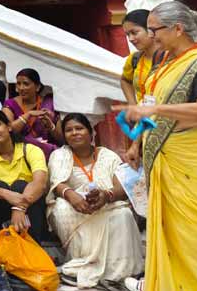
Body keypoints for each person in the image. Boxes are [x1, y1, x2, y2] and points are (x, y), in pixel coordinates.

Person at [113, 1, 197, 291]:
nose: (151, 35)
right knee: (174, 241)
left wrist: (156, 110)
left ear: (177, 28)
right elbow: (156, 110)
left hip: (194, 173)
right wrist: (137, 140)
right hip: (164, 168)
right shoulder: (163, 64)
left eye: (154, 29)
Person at [47, 114, 144, 289]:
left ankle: (117, 273)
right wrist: (72, 196)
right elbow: (57, 184)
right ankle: (85, 264)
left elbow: (121, 186)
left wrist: (105, 196)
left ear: (91, 132)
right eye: (69, 130)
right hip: (75, 209)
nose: (74, 133)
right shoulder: (59, 155)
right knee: (60, 207)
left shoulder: (107, 155)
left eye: (79, 128)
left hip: (107, 204)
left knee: (123, 213)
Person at [0, 108, 48, 242]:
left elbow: (40, 183)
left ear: (8, 126)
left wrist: (19, 206)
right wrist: (5, 194)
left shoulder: (31, 150)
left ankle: (32, 244)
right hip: (1, 213)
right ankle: (10, 241)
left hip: (29, 211)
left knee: (20, 185)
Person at [2, 68, 62, 158]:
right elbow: (9, 130)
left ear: (37, 87)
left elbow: (61, 139)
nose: (21, 88)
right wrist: (28, 115)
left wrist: (50, 125)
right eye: (18, 84)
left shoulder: (48, 103)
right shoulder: (10, 104)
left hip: (47, 148)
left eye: (26, 84)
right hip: (20, 150)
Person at [119, 9, 163, 106]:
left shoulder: (172, 57)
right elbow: (125, 80)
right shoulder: (134, 59)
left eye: (134, 33)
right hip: (144, 118)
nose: (130, 39)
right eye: (127, 35)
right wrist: (132, 103)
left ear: (151, 30)